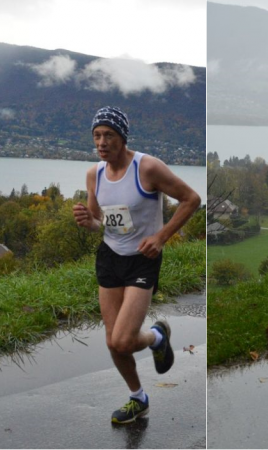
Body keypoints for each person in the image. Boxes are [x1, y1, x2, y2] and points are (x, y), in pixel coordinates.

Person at [72, 106, 201, 424]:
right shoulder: (95, 174)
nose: (102, 142)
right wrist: (87, 221)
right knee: (112, 342)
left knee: (124, 340)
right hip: (110, 258)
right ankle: (138, 397)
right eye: (97, 136)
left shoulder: (147, 168)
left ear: (122, 137)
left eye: (109, 136)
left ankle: (157, 338)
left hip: (143, 261)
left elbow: (191, 199)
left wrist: (162, 236)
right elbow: (99, 222)